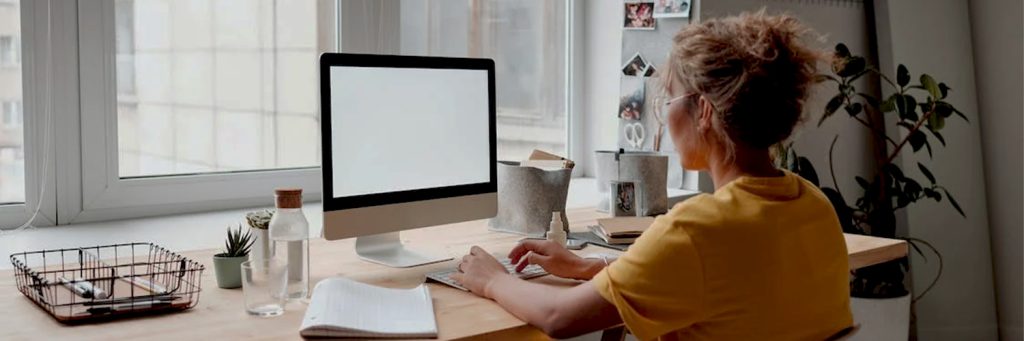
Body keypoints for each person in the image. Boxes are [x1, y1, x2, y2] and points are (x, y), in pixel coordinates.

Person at [451, 10, 854, 341]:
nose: (664, 115)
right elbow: (723, 285)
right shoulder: (813, 205)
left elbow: (559, 317)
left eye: (669, 97)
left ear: (705, 112)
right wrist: (586, 268)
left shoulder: (696, 229)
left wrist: (492, 281)